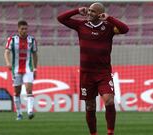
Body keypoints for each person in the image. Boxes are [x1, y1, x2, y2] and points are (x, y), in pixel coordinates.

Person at [57, 2, 129, 135]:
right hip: (86, 74)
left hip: (104, 73)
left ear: (100, 14)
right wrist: (77, 10)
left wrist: (109, 18)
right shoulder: (81, 25)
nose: (89, 13)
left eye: (93, 11)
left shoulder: (108, 27)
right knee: (90, 106)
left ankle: (110, 132)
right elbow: (60, 18)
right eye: (89, 10)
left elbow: (125, 29)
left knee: (109, 101)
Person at [4, 20, 38, 120]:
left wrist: (35, 68)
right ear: (18, 29)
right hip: (16, 69)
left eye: (26, 29)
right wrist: (8, 63)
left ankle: (30, 111)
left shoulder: (32, 40)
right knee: (17, 92)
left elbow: (35, 54)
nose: (24, 30)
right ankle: (19, 113)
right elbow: (6, 52)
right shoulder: (12, 40)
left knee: (29, 89)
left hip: (28, 69)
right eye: (22, 29)